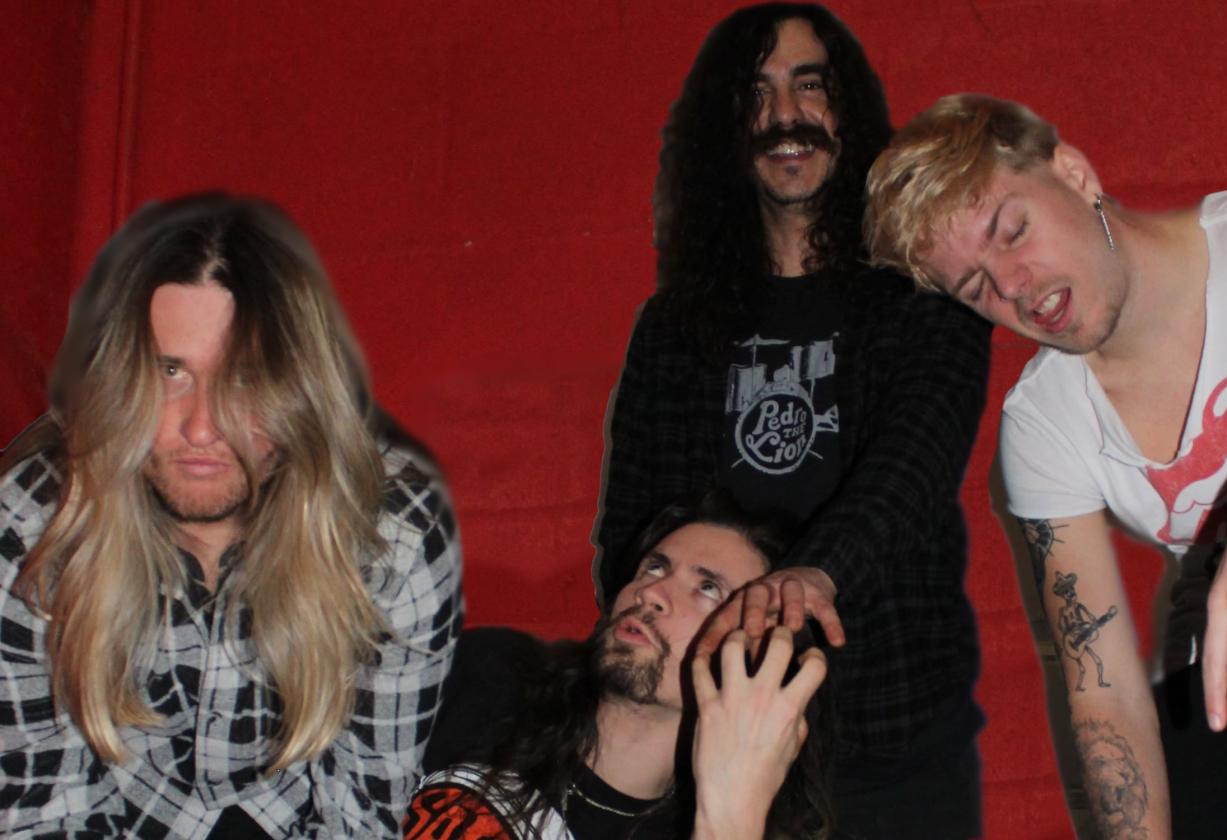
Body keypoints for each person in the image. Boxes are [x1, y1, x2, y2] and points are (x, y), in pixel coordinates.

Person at [864, 93, 1227, 838]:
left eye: (1013, 231)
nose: (1015, 286)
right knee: (1182, 751)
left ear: (1075, 174)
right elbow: (1103, 688)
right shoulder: (1045, 423)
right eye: (976, 286)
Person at [593, 6, 991, 836]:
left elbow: (911, 471)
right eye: (758, 95)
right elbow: (635, 531)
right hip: (716, 740)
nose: (785, 118)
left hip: (893, 749)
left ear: (849, 112)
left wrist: (809, 578)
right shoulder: (675, 327)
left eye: (811, 88)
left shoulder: (924, 299)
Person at [0, 193, 463, 838]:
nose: (201, 427)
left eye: (245, 375)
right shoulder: (32, 527)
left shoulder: (395, 539)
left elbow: (362, 811)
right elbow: (42, 811)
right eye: (170, 370)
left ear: (301, 388)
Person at [406, 492, 831, 840]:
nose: (652, 592)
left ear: (761, 665)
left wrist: (734, 812)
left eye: (707, 589)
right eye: (654, 566)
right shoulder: (491, 675)